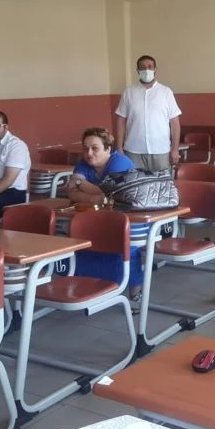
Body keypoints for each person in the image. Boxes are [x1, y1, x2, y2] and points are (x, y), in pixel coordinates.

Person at [67, 127, 143, 301]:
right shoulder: (84, 163)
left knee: (125, 245)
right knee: (82, 241)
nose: (89, 153)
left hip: (130, 219)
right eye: (85, 148)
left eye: (95, 148)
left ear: (108, 149)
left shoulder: (120, 163)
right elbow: (72, 193)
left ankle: (134, 293)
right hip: (97, 216)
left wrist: (80, 183)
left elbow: (111, 194)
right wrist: (97, 198)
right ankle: (90, 287)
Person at [115, 55, 182, 172]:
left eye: (150, 67)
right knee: (134, 182)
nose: (146, 70)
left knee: (162, 183)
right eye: (142, 67)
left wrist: (175, 149)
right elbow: (121, 121)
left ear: (155, 69)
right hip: (133, 150)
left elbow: (175, 123)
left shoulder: (166, 92)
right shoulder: (129, 92)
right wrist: (119, 148)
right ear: (137, 70)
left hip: (160, 150)